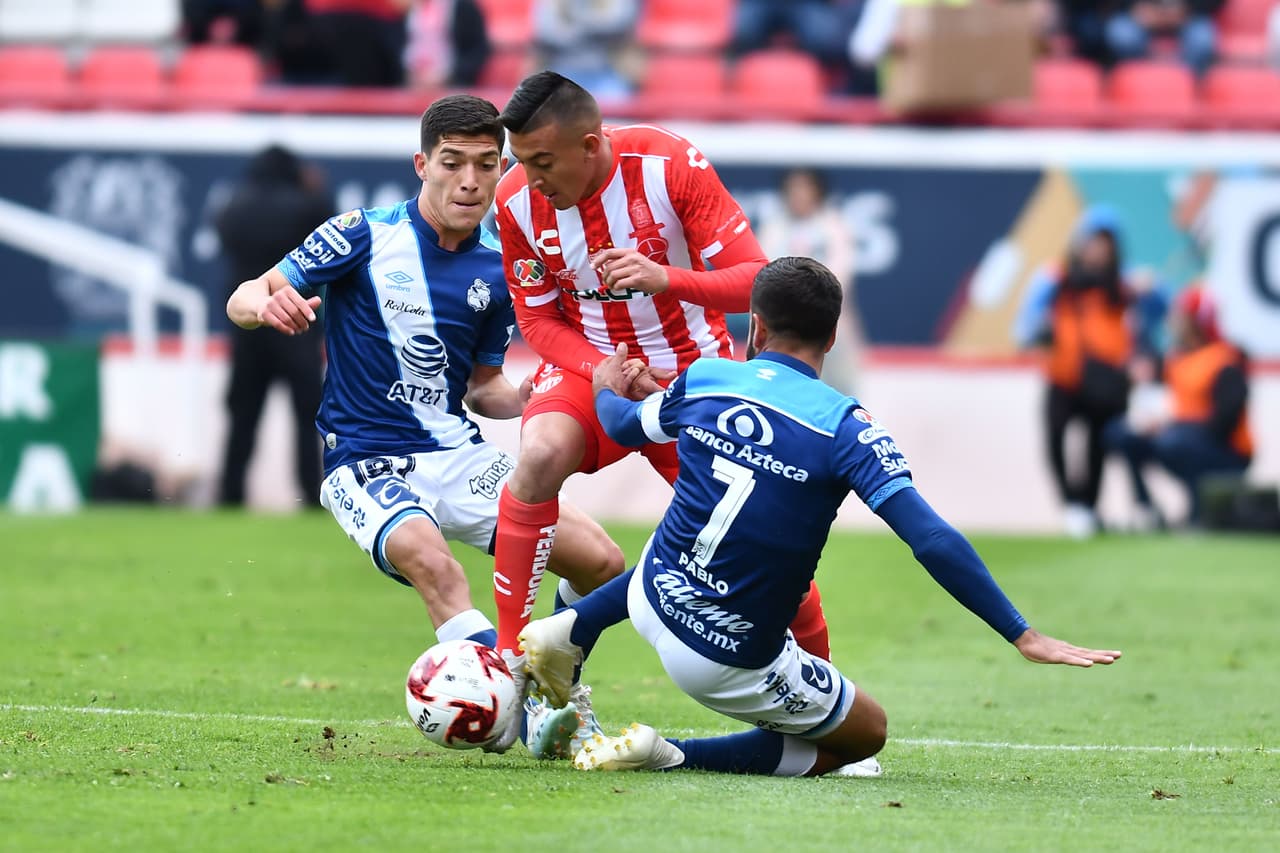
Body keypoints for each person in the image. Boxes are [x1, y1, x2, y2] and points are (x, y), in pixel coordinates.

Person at [517, 256, 1121, 777]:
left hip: (650, 598)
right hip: (721, 659)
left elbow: (622, 424)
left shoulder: (706, 377)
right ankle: (670, 753)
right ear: (832, 339)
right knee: (862, 737)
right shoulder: (847, 429)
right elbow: (931, 538)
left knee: (687, 526)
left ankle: (572, 627)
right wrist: (1022, 632)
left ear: (754, 325)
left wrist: (603, 385)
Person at [225, 94, 623, 756]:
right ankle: (521, 703)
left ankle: (547, 680)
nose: (469, 181)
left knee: (604, 563)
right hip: (364, 459)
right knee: (437, 569)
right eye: (452, 163)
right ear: (422, 164)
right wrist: (267, 307)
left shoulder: (503, 266)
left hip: (456, 454)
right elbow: (246, 293)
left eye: (485, 165)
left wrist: (526, 397)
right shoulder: (359, 233)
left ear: (503, 170)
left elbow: (481, 387)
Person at [489, 71, 833, 685]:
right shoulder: (515, 199)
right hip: (591, 368)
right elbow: (537, 321)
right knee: (538, 458)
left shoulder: (669, 163)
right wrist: (601, 370)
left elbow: (757, 278)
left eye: (544, 161)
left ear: (591, 145)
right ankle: (511, 661)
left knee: (766, 547)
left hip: (692, 378)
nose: (532, 178)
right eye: (521, 161)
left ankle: (825, 702)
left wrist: (665, 277)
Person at [1015, 205, 1153, 539]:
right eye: (1093, 242)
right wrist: (1040, 331)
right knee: (1055, 441)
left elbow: (1153, 324)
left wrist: (1150, 289)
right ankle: (1073, 505)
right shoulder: (1057, 279)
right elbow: (1024, 328)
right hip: (1063, 378)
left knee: (1097, 449)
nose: (1098, 251)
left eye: (1106, 244)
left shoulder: (1123, 286)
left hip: (1105, 383)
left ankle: (1089, 507)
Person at [216, 145, 334, 508]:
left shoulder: (232, 208)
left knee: (243, 416)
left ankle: (231, 493)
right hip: (295, 323)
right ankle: (310, 494)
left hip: (249, 328)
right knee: (305, 417)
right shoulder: (307, 206)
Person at [1105, 286, 1252, 528]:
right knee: (1120, 433)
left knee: (1173, 441)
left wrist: (1173, 427)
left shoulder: (1225, 359)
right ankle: (1147, 508)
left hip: (1227, 451)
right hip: (1180, 437)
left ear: (1195, 321)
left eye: (1180, 316)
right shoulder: (1175, 357)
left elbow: (1225, 420)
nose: (1173, 322)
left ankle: (1199, 512)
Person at [757, 167, 865, 395]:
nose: (799, 195)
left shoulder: (833, 226)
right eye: (793, 190)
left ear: (818, 192)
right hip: (783, 322)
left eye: (805, 189)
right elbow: (766, 270)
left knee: (840, 385)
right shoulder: (774, 227)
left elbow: (841, 273)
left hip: (831, 318)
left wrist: (812, 300)